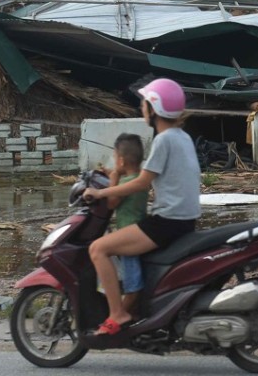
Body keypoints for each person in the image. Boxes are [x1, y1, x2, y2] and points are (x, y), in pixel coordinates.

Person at [84, 78, 201, 336]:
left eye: (144, 104)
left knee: (98, 248)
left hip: (167, 222)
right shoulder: (183, 137)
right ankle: (136, 309)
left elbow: (141, 183)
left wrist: (100, 192)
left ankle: (118, 313)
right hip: (183, 220)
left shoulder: (164, 140)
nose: (142, 108)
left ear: (154, 108)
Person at [106, 133, 148, 318]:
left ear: (121, 161)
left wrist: (113, 177)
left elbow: (111, 202)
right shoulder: (139, 178)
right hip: (137, 231)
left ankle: (119, 316)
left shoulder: (126, 183)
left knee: (133, 285)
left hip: (129, 238)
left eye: (115, 158)